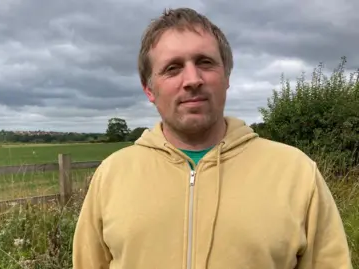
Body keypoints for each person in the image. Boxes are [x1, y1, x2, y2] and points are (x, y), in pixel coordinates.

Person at [72, 7, 352, 269]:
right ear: (149, 89)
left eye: (205, 62)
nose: (192, 79)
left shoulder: (296, 173)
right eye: (173, 68)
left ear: (227, 76)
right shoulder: (112, 176)